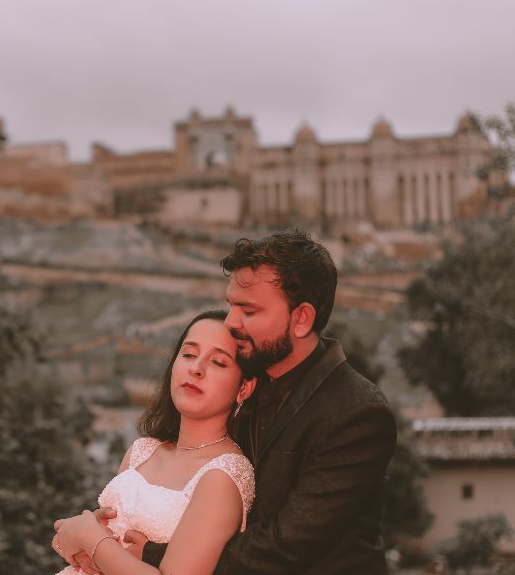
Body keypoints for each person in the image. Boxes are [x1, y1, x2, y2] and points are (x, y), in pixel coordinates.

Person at [65, 229, 398, 574]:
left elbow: (283, 547)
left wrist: (142, 553)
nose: (232, 322)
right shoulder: (241, 379)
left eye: (248, 311)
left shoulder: (356, 412)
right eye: (231, 305)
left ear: (301, 319)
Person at [51, 310, 258, 575]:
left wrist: (90, 537)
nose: (196, 369)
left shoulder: (224, 475)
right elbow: (94, 553)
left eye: (218, 362)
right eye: (189, 355)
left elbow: (98, 545)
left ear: (244, 388)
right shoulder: (142, 451)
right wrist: (76, 542)